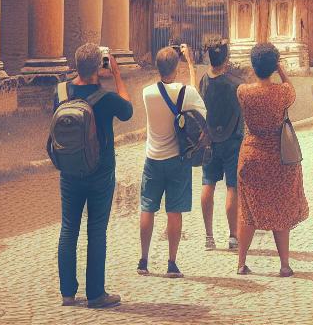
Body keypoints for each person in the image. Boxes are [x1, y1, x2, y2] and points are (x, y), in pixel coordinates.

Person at [56, 42, 133, 309]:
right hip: (100, 172)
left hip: (69, 170)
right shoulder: (107, 98)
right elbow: (128, 110)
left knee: (68, 228)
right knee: (96, 231)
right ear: (99, 68)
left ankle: (67, 293)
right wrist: (118, 75)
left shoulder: (61, 91)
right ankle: (96, 295)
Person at [234, 42, 307, 277]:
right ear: (274, 66)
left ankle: (241, 263)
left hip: (252, 154)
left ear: (254, 66)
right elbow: (290, 89)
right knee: (281, 209)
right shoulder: (282, 93)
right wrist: (281, 69)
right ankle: (284, 264)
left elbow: (247, 86)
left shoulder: (244, 92)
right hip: (278, 156)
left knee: (248, 211)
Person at [138, 44, 204, 279]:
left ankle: (143, 260)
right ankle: (171, 263)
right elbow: (199, 113)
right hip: (177, 159)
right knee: (174, 211)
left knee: (147, 208)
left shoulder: (147, 93)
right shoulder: (186, 92)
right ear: (177, 67)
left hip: (152, 158)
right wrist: (191, 63)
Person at [199, 39, 243, 251]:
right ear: (226, 58)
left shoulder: (203, 81)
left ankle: (208, 237)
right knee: (232, 187)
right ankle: (233, 236)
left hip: (209, 139)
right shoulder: (234, 84)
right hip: (232, 140)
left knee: (208, 183)